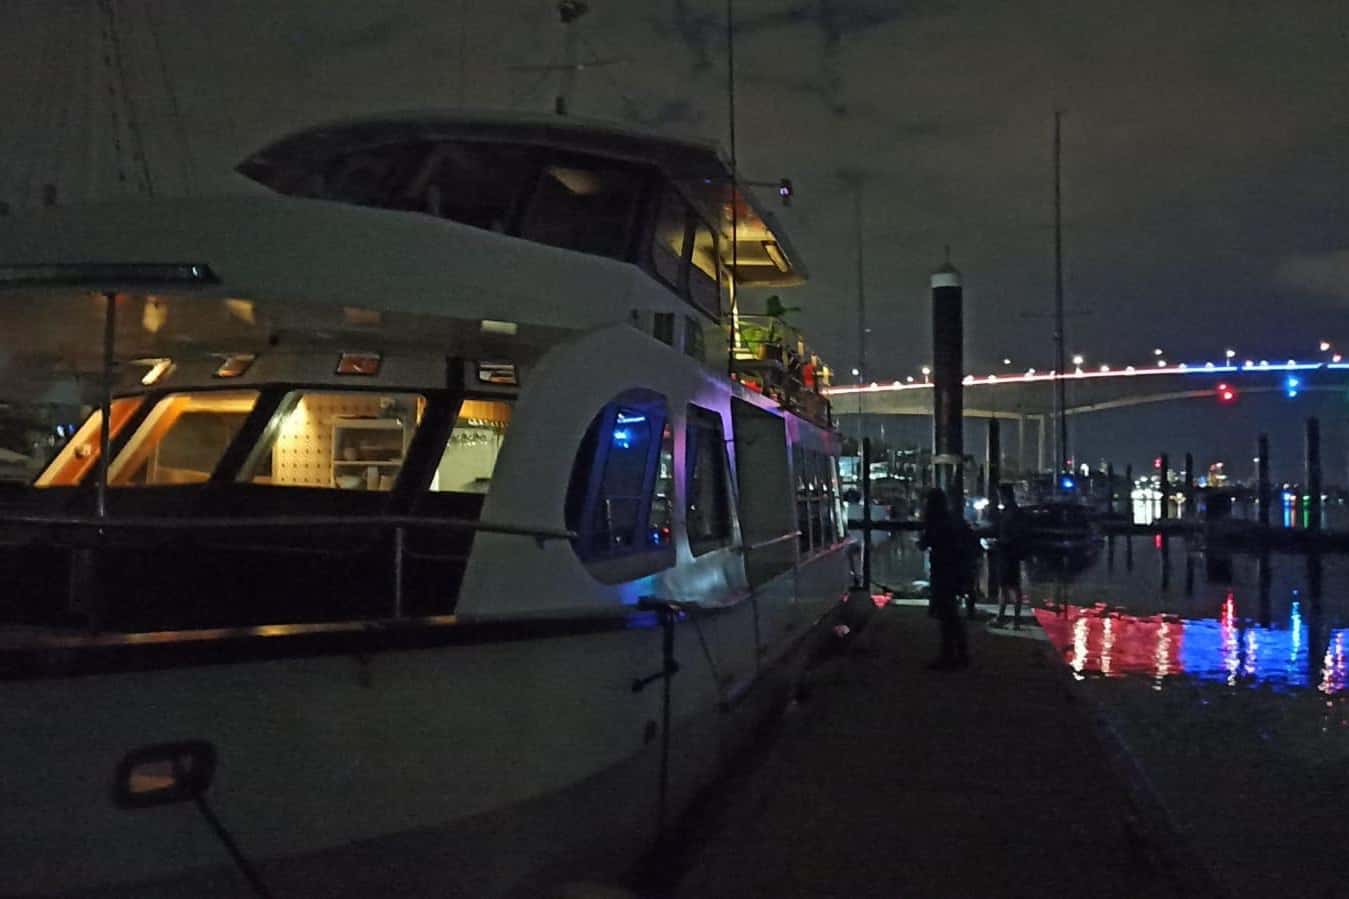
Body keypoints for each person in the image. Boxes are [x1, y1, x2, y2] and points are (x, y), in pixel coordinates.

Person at [918, 488, 969, 669]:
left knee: (946, 615)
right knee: (951, 614)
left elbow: (923, 544)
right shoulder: (950, 520)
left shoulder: (934, 523)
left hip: (941, 571)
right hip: (952, 570)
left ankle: (948, 655)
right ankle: (960, 653)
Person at [992, 484, 1028, 629]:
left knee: (1006, 586)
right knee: (1012, 586)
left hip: (1007, 553)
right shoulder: (1015, 512)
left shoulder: (1009, 513)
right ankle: (1015, 619)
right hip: (1012, 553)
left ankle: (1003, 617)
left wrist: (999, 543)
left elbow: (1010, 534)